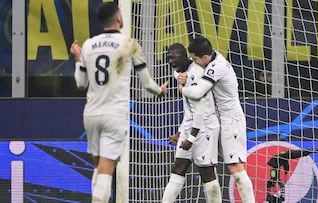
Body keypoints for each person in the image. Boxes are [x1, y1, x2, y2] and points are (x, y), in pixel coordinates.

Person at [70, 2, 169, 203]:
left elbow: (81, 84)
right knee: (107, 168)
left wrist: (79, 59)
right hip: (114, 114)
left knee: (99, 169)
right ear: (118, 18)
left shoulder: (88, 44)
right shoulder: (129, 44)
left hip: (91, 114)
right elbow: (147, 84)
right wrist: (160, 91)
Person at [177, 37, 256, 203]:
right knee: (209, 168)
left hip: (231, 121)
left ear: (205, 57)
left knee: (236, 168)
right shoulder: (210, 58)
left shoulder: (217, 66)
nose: (193, 61)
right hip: (218, 122)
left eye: (195, 59)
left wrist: (182, 88)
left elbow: (198, 92)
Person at [162, 43, 222, 203]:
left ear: (184, 57)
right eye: (168, 58)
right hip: (191, 128)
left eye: (173, 57)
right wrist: (180, 133)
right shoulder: (182, 73)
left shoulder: (195, 73)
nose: (170, 61)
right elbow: (190, 112)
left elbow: (200, 110)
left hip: (205, 128)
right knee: (178, 169)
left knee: (207, 173)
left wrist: (191, 138)